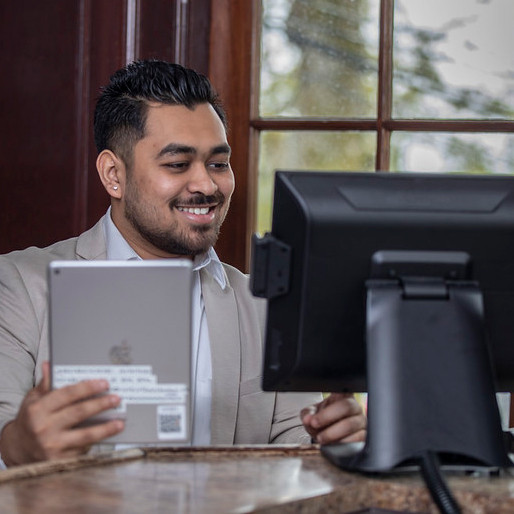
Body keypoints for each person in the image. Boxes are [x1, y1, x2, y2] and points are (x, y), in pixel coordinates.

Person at [0, 60, 366, 466]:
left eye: (218, 163)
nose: (207, 186)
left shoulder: (266, 306)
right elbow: (5, 435)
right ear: (113, 175)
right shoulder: (19, 286)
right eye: (177, 164)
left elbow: (298, 451)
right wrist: (19, 449)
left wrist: (335, 442)